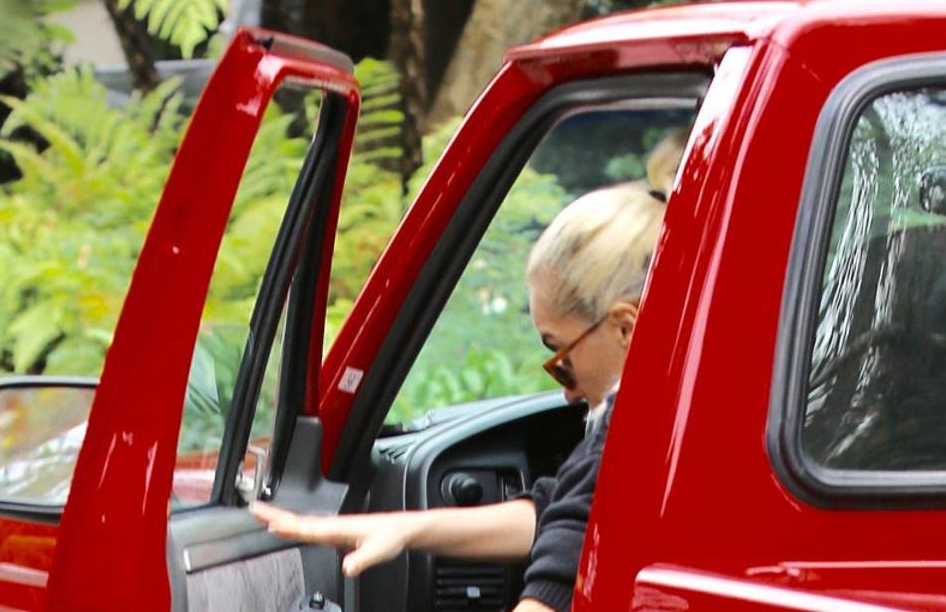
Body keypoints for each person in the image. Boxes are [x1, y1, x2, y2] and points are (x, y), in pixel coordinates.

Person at [251, 135, 679, 612]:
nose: (568, 393)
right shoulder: (684, 408)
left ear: (625, 326)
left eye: (562, 359)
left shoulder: (632, 439)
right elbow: (559, 512)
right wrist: (404, 528)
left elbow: (565, 558)